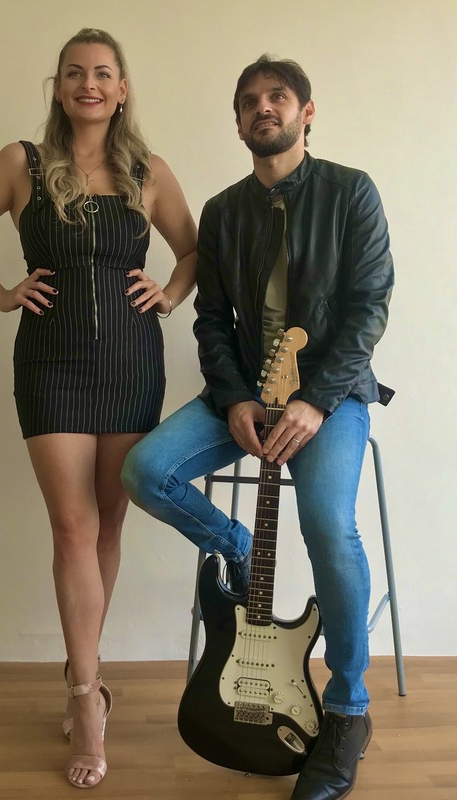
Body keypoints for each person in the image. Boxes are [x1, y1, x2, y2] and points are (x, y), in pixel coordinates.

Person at [121, 54, 394, 800]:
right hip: (242, 394)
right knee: (144, 471)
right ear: (238, 121)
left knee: (326, 524)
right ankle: (236, 547)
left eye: (277, 96)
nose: (262, 108)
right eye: (248, 101)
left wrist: (316, 400)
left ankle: (347, 708)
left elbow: (369, 305)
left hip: (331, 397)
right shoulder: (221, 211)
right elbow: (211, 319)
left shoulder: (350, 192)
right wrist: (236, 396)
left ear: (306, 112)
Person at [0, 28, 197, 789]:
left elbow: (194, 251)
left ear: (121, 90)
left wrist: (171, 293)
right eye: (75, 72)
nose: (89, 84)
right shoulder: (20, 164)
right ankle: (86, 697)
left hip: (130, 362)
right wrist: (0, 294)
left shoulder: (149, 172)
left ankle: (87, 670)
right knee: (71, 526)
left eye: (103, 73)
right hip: (51, 363)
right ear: (58, 86)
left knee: (108, 525)